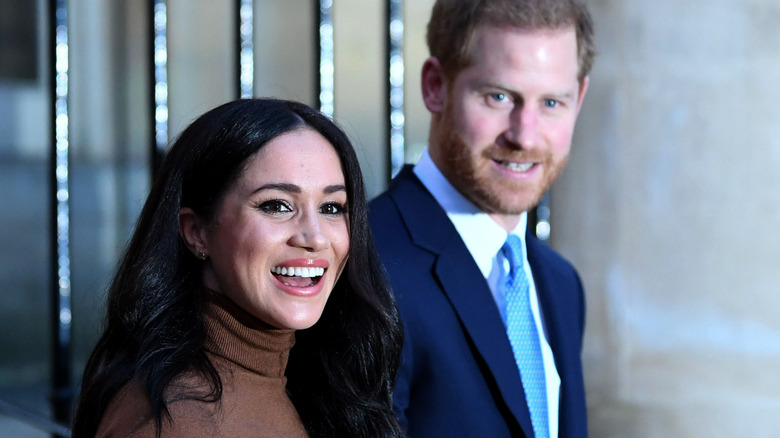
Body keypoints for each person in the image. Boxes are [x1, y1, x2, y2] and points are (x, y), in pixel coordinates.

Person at [72, 98, 404, 438]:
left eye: (332, 207)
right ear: (196, 232)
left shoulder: (307, 382)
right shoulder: (182, 423)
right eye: (277, 205)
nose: (315, 237)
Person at [369, 0, 595, 436]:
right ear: (436, 86)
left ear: (579, 99)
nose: (524, 136)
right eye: (499, 96)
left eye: (551, 102)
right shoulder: (367, 267)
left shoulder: (560, 284)